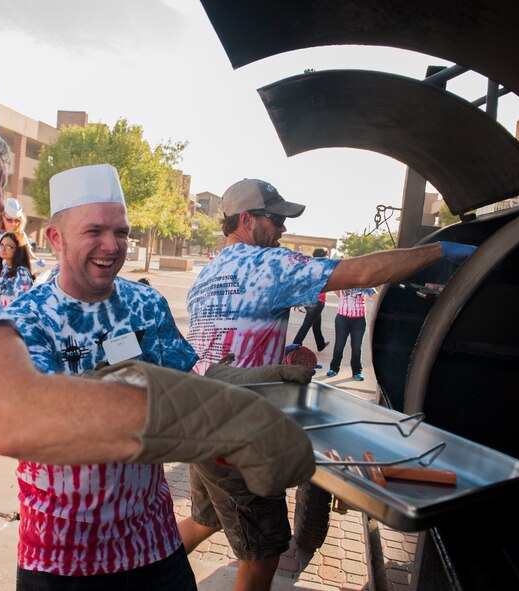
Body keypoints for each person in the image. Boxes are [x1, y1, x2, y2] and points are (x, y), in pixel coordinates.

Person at [0, 81, 315, 590]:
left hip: (143, 542)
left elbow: (186, 372)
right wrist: (233, 422)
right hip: (51, 557)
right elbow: (21, 416)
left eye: (120, 232)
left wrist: (254, 383)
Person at [182, 178, 476, 591]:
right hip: (236, 433)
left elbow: (219, 337)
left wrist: (273, 353)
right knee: (264, 553)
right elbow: (362, 270)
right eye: (275, 218)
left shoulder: (208, 271)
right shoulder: (267, 264)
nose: (282, 229)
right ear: (246, 220)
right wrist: (438, 252)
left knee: (204, 519)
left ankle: (149, 576)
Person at [6, 164, 199, 590]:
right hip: (60, 554)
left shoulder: (145, 302)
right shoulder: (26, 319)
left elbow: (191, 390)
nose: (112, 246)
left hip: (153, 541)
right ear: (55, 238)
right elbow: (44, 426)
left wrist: (245, 394)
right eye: (94, 231)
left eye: (122, 232)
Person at [0, 196, 45, 276]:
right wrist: (2, 257)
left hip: (15, 276)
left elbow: (30, 255)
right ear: (2, 216)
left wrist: (38, 261)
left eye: (17, 220)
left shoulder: (20, 234)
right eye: (9, 220)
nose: (14, 224)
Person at [326, 287, 377, 381]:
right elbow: (337, 293)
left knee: (357, 347)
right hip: (342, 318)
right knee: (339, 345)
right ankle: (334, 368)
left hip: (359, 320)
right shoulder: (344, 280)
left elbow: (376, 297)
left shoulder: (366, 282)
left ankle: (357, 371)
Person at [291, 247, 330, 351]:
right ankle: (294, 346)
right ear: (323, 256)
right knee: (306, 325)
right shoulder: (325, 266)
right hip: (318, 301)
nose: (328, 257)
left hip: (308, 300)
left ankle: (320, 344)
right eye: (326, 255)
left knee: (316, 323)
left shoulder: (308, 266)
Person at [0, 231, 34, 306]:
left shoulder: (21, 272)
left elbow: (22, 303)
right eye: (2, 245)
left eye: (9, 246)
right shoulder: (5, 267)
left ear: (19, 250)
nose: (3, 249)